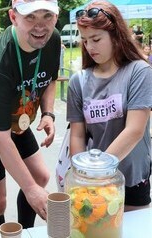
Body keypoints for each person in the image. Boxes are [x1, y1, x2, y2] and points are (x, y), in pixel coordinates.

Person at [0, 0, 61, 232]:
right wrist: (30, 190)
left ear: (57, 17)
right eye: (30, 17)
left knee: (40, 177)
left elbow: (50, 78)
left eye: (47, 16)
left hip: (18, 121)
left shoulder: (54, 39)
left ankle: (25, 231)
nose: (40, 26)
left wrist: (48, 113)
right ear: (13, 18)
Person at [68, 0, 152, 212]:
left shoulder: (139, 72)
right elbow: (77, 135)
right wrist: (81, 176)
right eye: (85, 40)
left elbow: (134, 130)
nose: (90, 47)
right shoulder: (78, 81)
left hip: (132, 179)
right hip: (92, 187)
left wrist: (97, 172)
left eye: (96, 39)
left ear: (116, 36)